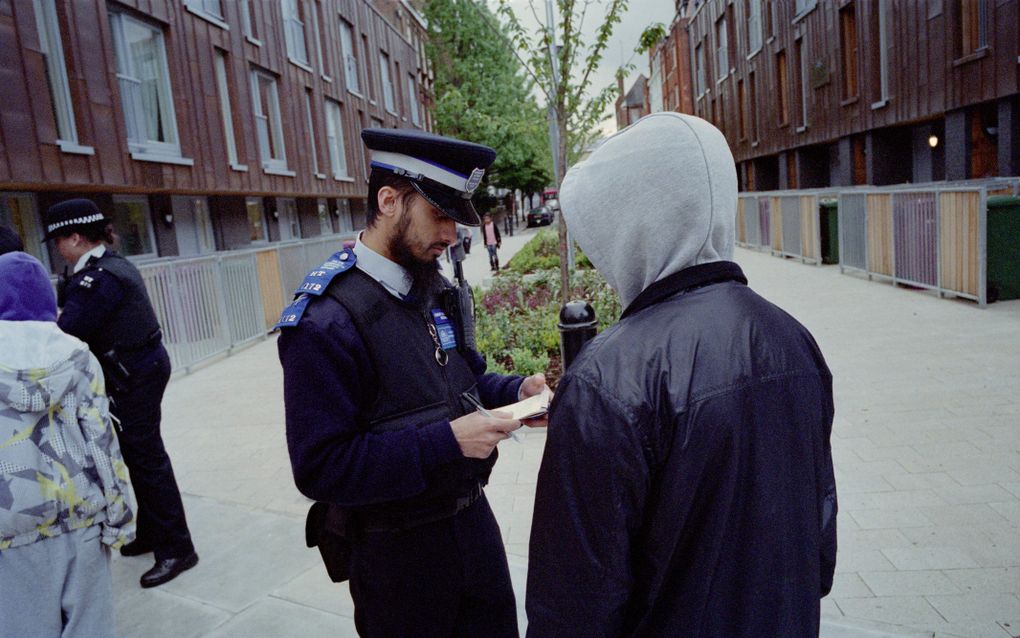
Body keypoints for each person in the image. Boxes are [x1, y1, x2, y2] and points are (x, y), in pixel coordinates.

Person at [525, 113, 837, 637]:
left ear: (628, 224)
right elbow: (818, 544)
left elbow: (574, 603)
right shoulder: (793, 339)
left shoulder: (607, 379)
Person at [277, 128, 549, 638]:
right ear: (388, 201)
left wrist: (516, 393)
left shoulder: (434, 287)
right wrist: (445, 443)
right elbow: (320, 467)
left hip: (473, 527)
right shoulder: (325, 321)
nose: (451, 234)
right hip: (397, 559)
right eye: (440, 215)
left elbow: (465, 380)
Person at [43, 199, 198, 588]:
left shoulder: (98, 279)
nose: (56, 248)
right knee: (138, 456)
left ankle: (177, 549)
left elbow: (67, 333)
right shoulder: (110, 264)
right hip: (139, 371)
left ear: (75, 237)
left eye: (58, 240)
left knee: (147, 461)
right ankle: (151, 532)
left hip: (133, 377)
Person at [0, 251, 135, 637]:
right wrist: (121, 517)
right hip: (83, 517)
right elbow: (102, 442)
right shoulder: (78, 357)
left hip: (11, 527)